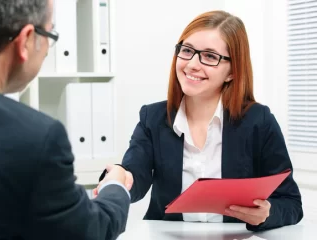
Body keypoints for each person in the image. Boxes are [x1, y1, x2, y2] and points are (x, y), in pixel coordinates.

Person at [96, 10, 303, 231]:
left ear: (232, 72)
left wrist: (267, 213)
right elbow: (135, 173)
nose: (192, 64)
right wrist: (121, 177)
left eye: (210, 56)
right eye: (187, 51)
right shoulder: (153, 118)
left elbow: (291, 203)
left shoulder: (258, 121)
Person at [0, 0, 132, 239]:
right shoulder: (34, 137)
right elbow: (88, 231)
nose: (48, 49)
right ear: (26, 39)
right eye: (50, 34)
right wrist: (116, 186)